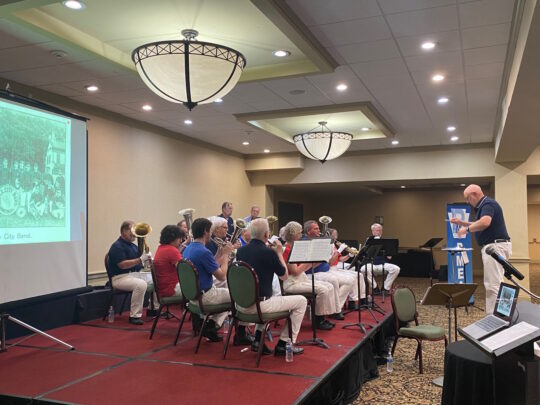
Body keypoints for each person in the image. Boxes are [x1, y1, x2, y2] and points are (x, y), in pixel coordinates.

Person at [236, 218, 307, 356]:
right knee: (301, 301)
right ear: (266, 234)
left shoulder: (241, 251)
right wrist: (279, 254)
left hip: (242, 305)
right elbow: (284, 276)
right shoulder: (269, 253)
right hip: (260, 307)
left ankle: (258, 340)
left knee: (269, 296)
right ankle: (284, 343)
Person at [450, 184, 511, 313]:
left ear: (475, 194)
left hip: (494, 247)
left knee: (493, 285)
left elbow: (484, 223)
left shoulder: (487, 204)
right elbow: (480, 222)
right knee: (496, 283)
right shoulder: (486, 204)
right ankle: (502, 314)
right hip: (496, 246)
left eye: (468, 198)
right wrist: (462, 223)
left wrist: (466, 229)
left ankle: (496, 317)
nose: (468, 202)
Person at [182, 218, 233, 342]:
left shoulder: (189, 248)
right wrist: (226, 255)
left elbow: (209, 265)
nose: (211, 233)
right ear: (205, 232)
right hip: (206, 296)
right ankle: (212, 325)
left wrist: (219, 253)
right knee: (236, 296)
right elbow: (222, 276)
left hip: (193, 297)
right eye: (210, 231)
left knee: (226, 292)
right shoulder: (204, 252)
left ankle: (209, 325)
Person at [282, 221, 336, 330]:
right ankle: (318, 321)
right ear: (293, 235)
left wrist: (316, 260)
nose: (301, 235)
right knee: (323, 290)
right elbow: (295, 271)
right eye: (299, 233)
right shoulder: (287, 250)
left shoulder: (295, 247)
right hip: (292, 283)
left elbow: (303, 268)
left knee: (329, 286)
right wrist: (309, 261)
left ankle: (323, 317)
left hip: (300, 279)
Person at [304, 220, 355, 319]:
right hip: (313, 273)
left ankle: (335, 308)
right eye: (316, 229)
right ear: (308, 231)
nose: (319, 230)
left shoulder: (317, 241)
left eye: (318, 228)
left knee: (349, 280)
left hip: (325, 270)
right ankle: (335, 310)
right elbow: (309, 265)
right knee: (333, 280)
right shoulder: (306, 243)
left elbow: (327, 261)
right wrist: (323, 256)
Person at [107, 220, 153, 325]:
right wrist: (140, 259)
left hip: (133, 275)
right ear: (124, 231)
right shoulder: (117, 246)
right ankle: (134, 316)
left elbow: (139, 264)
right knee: (140, 284)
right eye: (132, 231)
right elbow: (122, 265)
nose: (135, 234)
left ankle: (153, 308)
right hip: (120, 278)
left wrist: (148, 260)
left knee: (156, 279)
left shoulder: (133, 246)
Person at [328, 228, 365, 309]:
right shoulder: (328, 246)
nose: (336, 237)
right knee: (351, 278)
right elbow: (330, 262)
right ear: (329, 235)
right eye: (334, 235)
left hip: (335, 268)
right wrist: (339, 250)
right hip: (330, 269)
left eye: (336, 235)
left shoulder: (333, 245)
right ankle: (347, 303)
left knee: (359, 275)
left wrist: (349, 255)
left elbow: (340, 259)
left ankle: (361, 299)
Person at [360, 223, 400, 294]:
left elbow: (390, 256)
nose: (378, 232)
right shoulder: (368, 241)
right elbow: (364, 253)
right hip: (371, 264)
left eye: (380, 230)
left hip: (383, 264)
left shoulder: (386, 242)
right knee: (363, 269)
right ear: (372, 231)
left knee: (396, 269)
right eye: (376, 230)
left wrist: (389, 255)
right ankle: (375, 288)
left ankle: (385, 288)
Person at [153, 225, 184, 299]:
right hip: (171, 288)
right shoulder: (172, 250)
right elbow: (184, 271)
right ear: (173, 238)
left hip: (163, 288)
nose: (181, 241)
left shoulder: (161, 248)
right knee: (201, 287)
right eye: (179, 238)